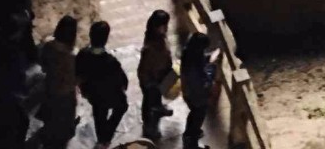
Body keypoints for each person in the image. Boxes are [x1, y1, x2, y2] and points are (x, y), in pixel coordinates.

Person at [75, 20, 129, 148]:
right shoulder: (111, 61)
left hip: (92, 93)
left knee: (99, 115)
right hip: (110, 94)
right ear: (106, 39)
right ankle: (106, 136)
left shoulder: (82, 55)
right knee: (122, 106)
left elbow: (77, 74)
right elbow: (122, 81)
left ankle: (101, 140)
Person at [0, 15, 31, 149]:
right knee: (19, 124)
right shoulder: (12, 51)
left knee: (13, 124)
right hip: (7, 94)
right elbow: (14, 73)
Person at [38, 15, 78, 149]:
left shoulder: (48, 46)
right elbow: (75, 77)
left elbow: (43, 64)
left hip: (50, 88)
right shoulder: (72, 56)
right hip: (65, 94)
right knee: (63, 123)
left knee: (52, 118)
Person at [138, 9, 175, 139]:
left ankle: (159, 108)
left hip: (160, 75)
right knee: (149, 102)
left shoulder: (160, 37)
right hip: (151, 80)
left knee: (156, 97)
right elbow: (144, 69)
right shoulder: (149, 48)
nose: (166, 28)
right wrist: (148, 84)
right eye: (163, 25)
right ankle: (149, 127)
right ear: (156, 26)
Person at [180, 31, 220, 149]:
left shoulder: (188, 54)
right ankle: (191, 143)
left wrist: (208, 58)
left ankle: (189, 134)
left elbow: (200, 64)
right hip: (196, 96)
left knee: (193, 114)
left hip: (188, 94)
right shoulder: (194, 68)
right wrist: (211, 66)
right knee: (198, 116)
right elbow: (203, 83)